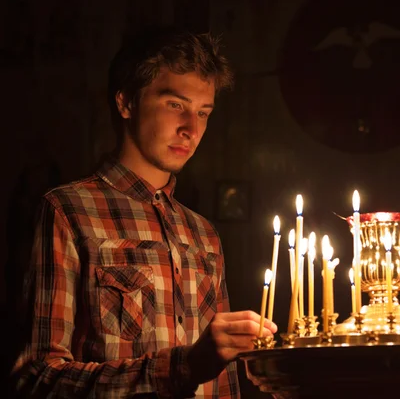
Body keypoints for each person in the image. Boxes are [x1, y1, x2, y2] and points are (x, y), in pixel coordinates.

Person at [11, 26, 277, 398]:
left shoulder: (202, 234)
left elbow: (223, 383)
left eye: (203, 112)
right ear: (126, 103)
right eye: (175, 105)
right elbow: (36, 378)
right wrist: (182, 366)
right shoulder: (67, 212)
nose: (191, 128)